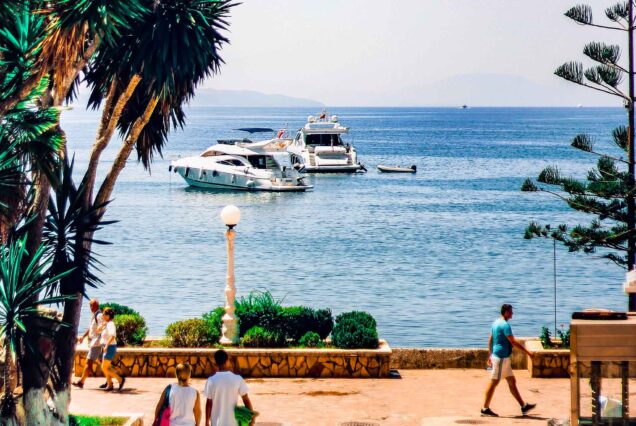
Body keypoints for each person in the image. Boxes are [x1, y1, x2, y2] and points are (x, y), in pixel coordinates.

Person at [481, 304, 536, 417]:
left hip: (501, 358)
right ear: (505, 312)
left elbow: (490, 340)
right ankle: (485, 408)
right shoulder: (505, 326)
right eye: (511, 312)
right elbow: (514, 342)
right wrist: (528, 352)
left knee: (512, 382)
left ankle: (523, 406)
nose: (512, 314)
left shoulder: (495, 323)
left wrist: (490, 355)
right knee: (494, 382)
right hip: (501, 359)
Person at [204, 350, 256, 426]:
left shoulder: (211, 380)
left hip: (216, 423)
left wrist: (206, 422)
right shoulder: (237, 379)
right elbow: (246, 400)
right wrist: (252, 419)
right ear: (227, 361)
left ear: (215, 363)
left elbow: (209, 403)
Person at [73, 299, 103, 389]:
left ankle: (81, 382)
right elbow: (91, 328)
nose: (91, 308)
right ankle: (116, 380)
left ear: (97, 305)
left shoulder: (99, 315)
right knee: (104, 363)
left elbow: (102, 327)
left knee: (88, 362)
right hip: (95, 342)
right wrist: (83, 336)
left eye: (92, 305)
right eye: (90, 306)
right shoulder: (94, 315)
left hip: (96, 343)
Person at [97, 307, 125, 391]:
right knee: (106, 367)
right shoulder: (106, 323)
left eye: (104, 314)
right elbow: (97, 331)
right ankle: (110, 384)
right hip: (105, 346)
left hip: (110, 347)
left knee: (104, 367)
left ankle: (120, 379)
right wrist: (102, 325)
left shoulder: (111, 324)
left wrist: (106, 346)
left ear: (108, 315)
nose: (103, 315)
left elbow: (113, 336)